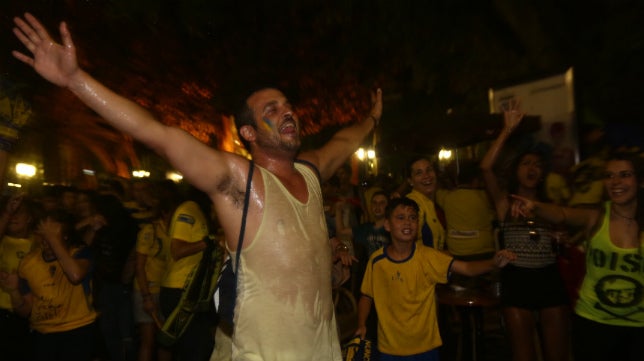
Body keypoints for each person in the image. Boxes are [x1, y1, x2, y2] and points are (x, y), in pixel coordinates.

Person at [11, 12, 382, 361]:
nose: (286, 111)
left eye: (286, 105)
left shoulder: (311, 172)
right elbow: (157, 134)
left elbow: (344, 142)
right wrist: (77, 81)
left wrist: (372, 119)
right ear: (249, 133)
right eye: (270, 109)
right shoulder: (240, 181)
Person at [510, 150, 644, 361]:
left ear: (640, 180)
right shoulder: (596, 216)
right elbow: (563, 214)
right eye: (609, 176)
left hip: (639, 326)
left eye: (625, 174)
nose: (615, 182)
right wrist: (535, 207)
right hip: (593, 322)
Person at [354, 197, 515, 360]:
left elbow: (467, 268)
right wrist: (361, 324)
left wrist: (493, 263)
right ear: (387, 224)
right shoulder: (377, 261)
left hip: (426, 347)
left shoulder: (428, 257)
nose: (407, 223)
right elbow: (367, 295)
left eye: (412, 218)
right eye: (400, 218)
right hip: (389, 349)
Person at [480, 98, 570, 361]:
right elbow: (486, 167)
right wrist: (507, 130)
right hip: (517, 281)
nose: (532, 168)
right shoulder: (503, 203)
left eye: (538, 165)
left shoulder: (549, 207)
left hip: (549, 278)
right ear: (515, 169)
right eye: (526, 163)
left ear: (543, 174)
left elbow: (564, 238)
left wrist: (560, 237)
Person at [0, 209, 98, 361]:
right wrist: (13, 291)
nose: (46, 239)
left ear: (65, 237)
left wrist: (53, 239)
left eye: (52, 234)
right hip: (43, 333)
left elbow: (75, 276)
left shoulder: (79, 253)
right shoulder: (28, 263)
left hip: (77, 329)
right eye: (43, 234)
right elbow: (25, 311)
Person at [0, 194, 37, 361]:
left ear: (29, 218)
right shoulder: (3, 240)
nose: (14, 217)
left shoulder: (39, 243)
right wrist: (7, 213)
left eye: (19, 213)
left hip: (25, 315)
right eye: (11, 213)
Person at [405, 156, 446, 250]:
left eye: (429, 170)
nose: (426, 176)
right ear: (410, 181)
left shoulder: (438, 200)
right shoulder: (412, 205)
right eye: (419, 173)